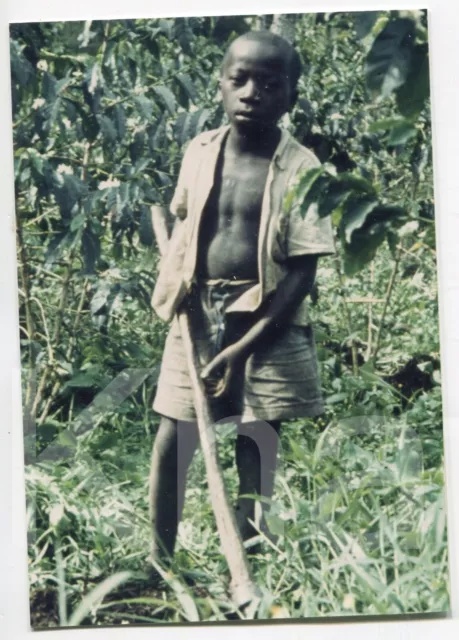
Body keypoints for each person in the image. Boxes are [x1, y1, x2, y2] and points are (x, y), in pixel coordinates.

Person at [148, 30, 335, 566]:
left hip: (267, 317)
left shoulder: (302, 171)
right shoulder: (200, 149)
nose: (252, 92)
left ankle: (251, 559)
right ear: (222, 85)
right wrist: (178, 283)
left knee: (257, 435)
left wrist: (245, 347)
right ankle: (160, 562)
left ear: (291, 95)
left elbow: (302, 274)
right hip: (197, 312)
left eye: (269, 84)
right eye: (240, 80)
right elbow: (187, 222)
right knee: (174, 435)